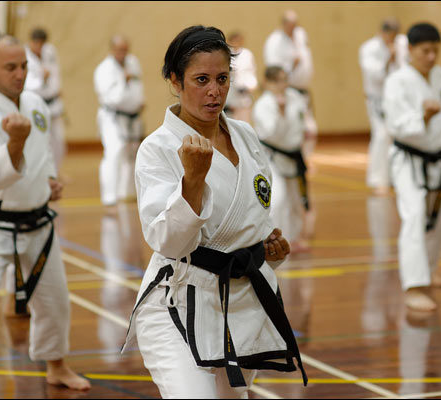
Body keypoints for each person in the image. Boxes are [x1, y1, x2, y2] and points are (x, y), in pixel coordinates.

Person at [121, 25, 307, 398]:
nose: (214, 91)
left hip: (241, 305)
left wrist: (269, 249)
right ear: (175, 80)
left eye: (222, 78)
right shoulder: (158, 148)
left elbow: (252, 217)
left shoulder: (245, 136)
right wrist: (193, 181)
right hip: (178, 302)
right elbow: (167, 241)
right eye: (201, 79)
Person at [0, 35, 90, 398]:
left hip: (37, 221)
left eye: (24, 65)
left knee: (55, 299)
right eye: (10, 67)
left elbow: (41, 156)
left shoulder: (35, 103)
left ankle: (55, 365)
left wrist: (48, 183)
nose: (20, 74)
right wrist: (14, 143)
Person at [383, 23, 441, 312]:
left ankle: (428, 270)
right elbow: (396, 125)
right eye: (425, 50)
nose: (431, 56)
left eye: (435, 51)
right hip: (409, 159)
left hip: (439, 157)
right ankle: (414, 286)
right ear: (412, 50)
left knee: (439, 220)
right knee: (415, 214)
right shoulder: (397, 81)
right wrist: (424, 117)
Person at [252, 66, 310, 251]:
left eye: (284, 79)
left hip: (293, 154)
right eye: (277, 81)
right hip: (271, 156)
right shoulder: (263, 104)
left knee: (294, 199)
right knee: (278, 198)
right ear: (267, 83)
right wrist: (281, 113)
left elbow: (303, 123)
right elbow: (269, 133)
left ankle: (292, 238)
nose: (282, 84)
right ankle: (274, 239)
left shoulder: (294, 97)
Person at [93, 35, 144, 210]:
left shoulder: (133, 62)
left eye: (125, 49)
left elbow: (138, 86)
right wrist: (124, 80)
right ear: (112, 49)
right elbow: (111, 98)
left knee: (131, 154)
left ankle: (126, 192)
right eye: (120, 50)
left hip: (132, 116)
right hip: (112, 117)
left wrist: (139, 102)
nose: (123, 53)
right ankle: (109, 195)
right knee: (114, 151)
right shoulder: (104, 69)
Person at [359, 18, 409, 195]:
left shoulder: (403, 43)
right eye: (390, 35)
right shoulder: (369, 48)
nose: (393, 39)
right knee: (381, 135)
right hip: (377, 99)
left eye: (396, 35)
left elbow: (406, 70)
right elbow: (375, 76)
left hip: (397, 98)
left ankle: (395, 177)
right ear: (382, 32)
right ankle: (378, 179)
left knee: (397, 135)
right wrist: (389, 59)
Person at [264, 10, 317, 159]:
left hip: (302, 89)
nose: (294, 27)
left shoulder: (300, 35)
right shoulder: (274, 41)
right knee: (293, 128)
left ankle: (305, 158)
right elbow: (273, 71)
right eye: (291, 24)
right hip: (287, 90)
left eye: (295, 24)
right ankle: (291, 158)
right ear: (284, 24)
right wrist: (291, 66)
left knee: (309, 129)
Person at [24, 27, 66, 174]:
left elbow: (56, 73)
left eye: (42, 43)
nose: (39, 47)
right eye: (36, 43)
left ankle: (55, 173)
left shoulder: (50, 51)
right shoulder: (24, 56)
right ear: (31, 42)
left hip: (54, 102)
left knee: (58, 142)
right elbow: (27, 84)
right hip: (37, 103)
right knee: (40, 140)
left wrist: (56, 88)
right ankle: (42, 172)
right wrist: (42, 78)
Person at [224, 31, 257, 123]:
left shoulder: (247, 54)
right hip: (230, 96)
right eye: (234, 41)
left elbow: (251, 72)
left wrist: (251, 86)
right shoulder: (225, 55)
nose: (236, 43)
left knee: (244, 123)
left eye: (238, 41)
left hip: (244, 94)